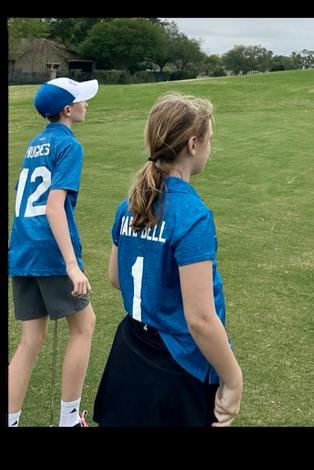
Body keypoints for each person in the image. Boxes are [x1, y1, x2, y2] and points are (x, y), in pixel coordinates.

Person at [93, 92, 243, 427]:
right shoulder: (192, 215)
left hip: (130, 351)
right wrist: (233, 379)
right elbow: (200, 318)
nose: (210, 146)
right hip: (177, 368)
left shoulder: (129, 205)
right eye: (209, 139)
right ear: (193, 144)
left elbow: (116, 277)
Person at [8, 77, 99, 427]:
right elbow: (53, 206)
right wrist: (72, 265)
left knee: (31, 339)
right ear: (67, 110)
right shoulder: (69, 145)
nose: (86, 104)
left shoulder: (35, 144)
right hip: (49, 251)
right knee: (84, 325)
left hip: (23, 249)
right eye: (81, 100)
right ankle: (69, 420)